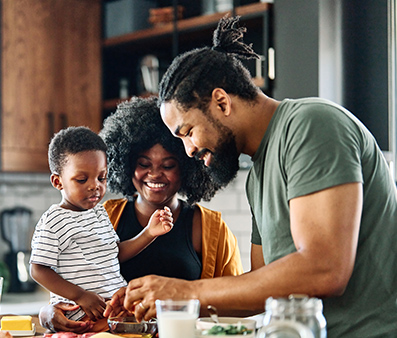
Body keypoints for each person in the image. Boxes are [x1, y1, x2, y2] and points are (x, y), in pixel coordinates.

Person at [106, 16, 397, 337]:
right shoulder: (257, 177)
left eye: (187, 132)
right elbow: (259, 292)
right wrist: (158, 299)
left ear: (221, 101)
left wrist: (186, 293)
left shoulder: (312, 125)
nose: (188, 150)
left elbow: (324, 269)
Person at [39, 97, 244, 332]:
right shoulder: (101, 217)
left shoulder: (211, 229)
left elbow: (234, 306)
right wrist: (47, 314)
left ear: (188, 168)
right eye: (144, 163)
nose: (154, 174)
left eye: (168, 166)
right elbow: (70, 287)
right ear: (126, 164)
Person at [30, 126, 173, 329]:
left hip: (113, 311)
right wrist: (80, 296)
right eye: (82, 179)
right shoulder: (54, 220)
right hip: (82, 313)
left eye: (101, 177)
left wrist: (150, 232)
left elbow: (113, 253)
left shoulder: (99, 213)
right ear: (57, 181)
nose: (94, 185)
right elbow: (37, 269)